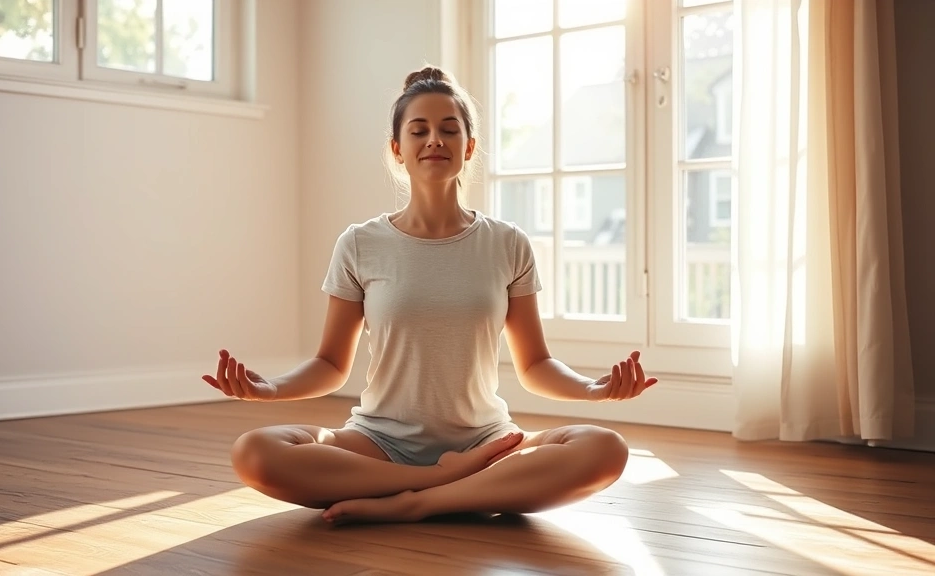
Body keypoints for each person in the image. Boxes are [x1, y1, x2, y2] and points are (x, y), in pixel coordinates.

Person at [202, 66, 658, 526]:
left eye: (449, 129)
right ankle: (449, 485)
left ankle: (414, 502)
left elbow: (536, 365)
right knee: (256, 453)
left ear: (469, 146)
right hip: (379, 441)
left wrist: (594, 389)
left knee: (604, 449)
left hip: (485, 441)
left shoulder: (507, 243)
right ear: (398, 150)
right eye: (418, 130)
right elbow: (331, 366)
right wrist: (270, 389)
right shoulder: (360, 244)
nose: (435, 140)